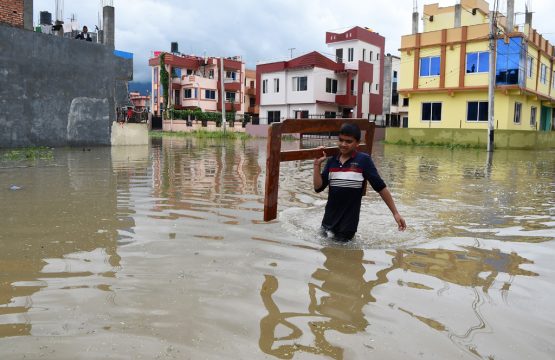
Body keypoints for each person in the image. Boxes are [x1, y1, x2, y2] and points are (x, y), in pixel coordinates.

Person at [313, 123, 406, 241]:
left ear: (357, 143)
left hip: (347, 226)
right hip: (327, 222)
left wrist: (395, 213)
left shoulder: (363, 160)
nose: (343, 144)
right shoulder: (332, 161)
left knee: (342, 257)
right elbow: (318, 187)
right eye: (341, 140)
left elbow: (381, 188)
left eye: (348, 141)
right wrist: (317, 165)